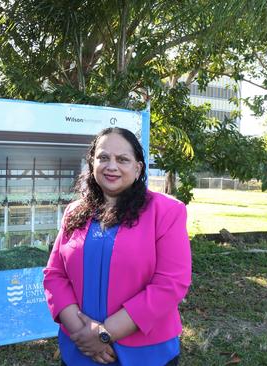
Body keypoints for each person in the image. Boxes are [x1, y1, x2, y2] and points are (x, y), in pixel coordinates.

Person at [43, 127, 192, 366]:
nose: (111, 166)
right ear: (92, 164)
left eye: (122, 159)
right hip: (80, 350)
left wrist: (104, 334)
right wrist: (81, 333)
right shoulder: (74, 212)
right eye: (103, 157)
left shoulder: (166, 212)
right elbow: (54, 275)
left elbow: (171, 284)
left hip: (146, 354)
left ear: (138, 168)